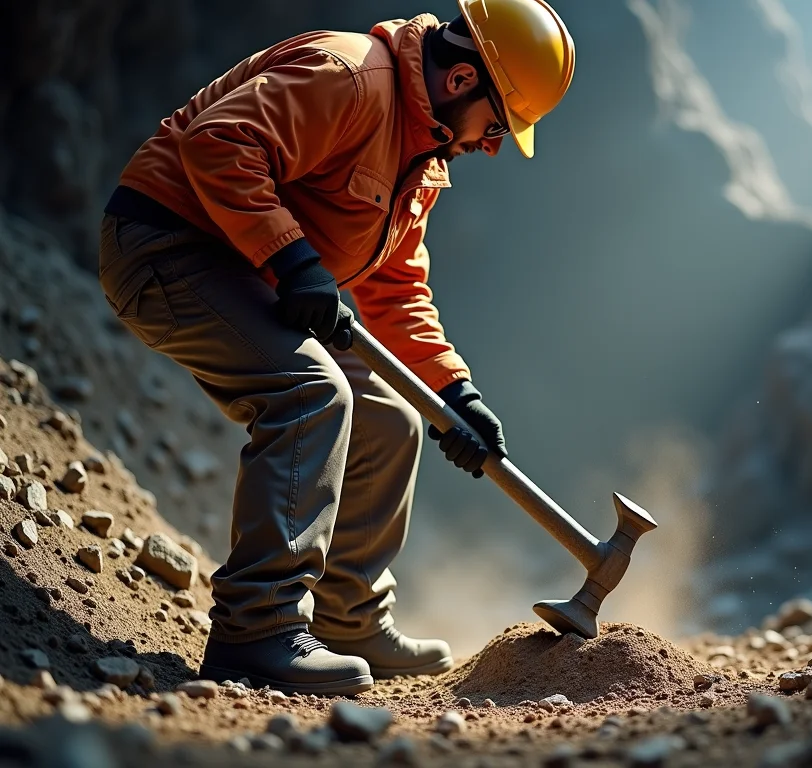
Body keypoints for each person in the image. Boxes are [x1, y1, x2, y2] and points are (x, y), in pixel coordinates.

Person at [96, 0, 575, 695]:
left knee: (394, 417)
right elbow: (216, 143)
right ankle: (255, 632)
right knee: (312, 391)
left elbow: (397, 286)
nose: (494, 144)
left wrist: (453, 393)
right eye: (500, 125)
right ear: (463, 81)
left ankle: (349, 620)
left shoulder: (422, 151)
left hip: (253, 274)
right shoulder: (349, 77)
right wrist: (293, 261)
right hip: (166, 246)